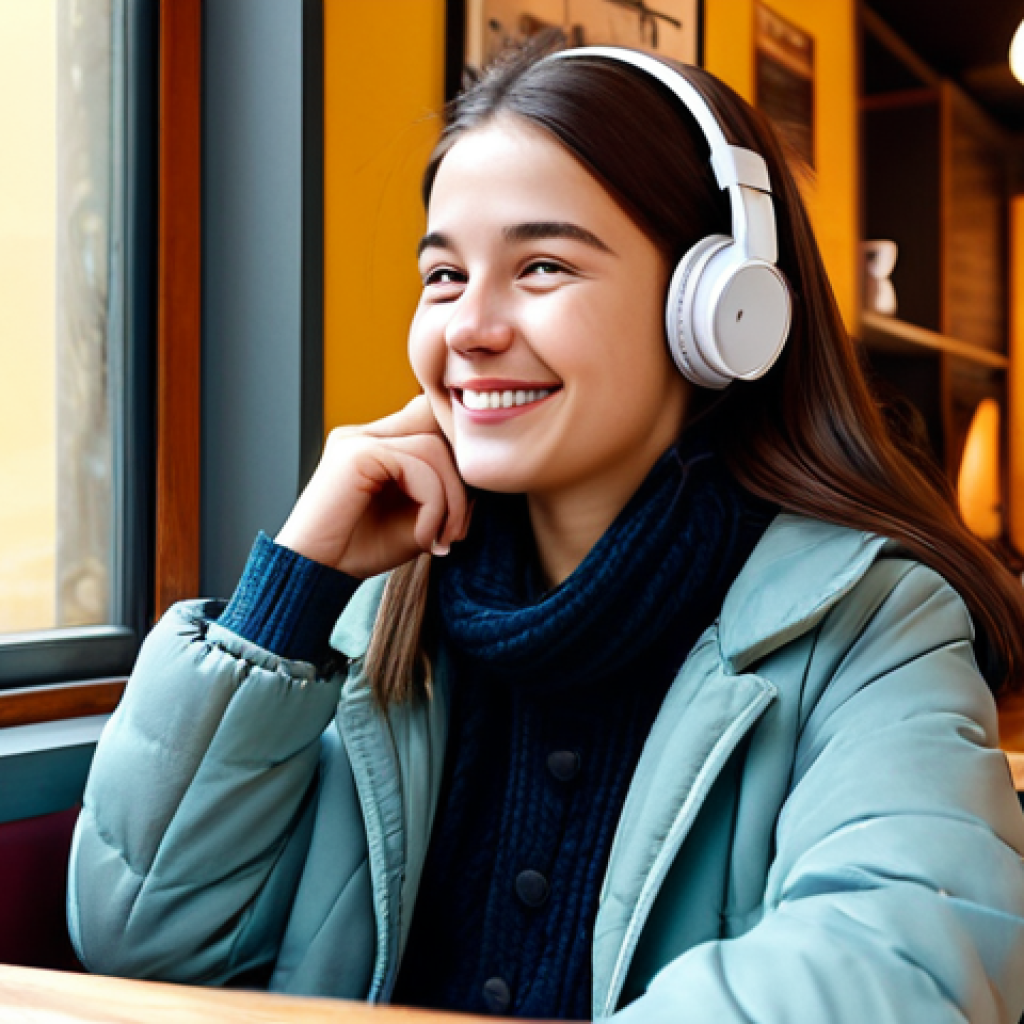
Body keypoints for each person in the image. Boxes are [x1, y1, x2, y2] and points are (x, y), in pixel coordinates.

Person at [68, 40, 1024, 1023]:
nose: (468, 327)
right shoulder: (376, 610)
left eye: (541, 266)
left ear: (720, 310)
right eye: (444, 276)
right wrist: (289, 596)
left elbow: (901, 965)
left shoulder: (872, 623)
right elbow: (142, 942)